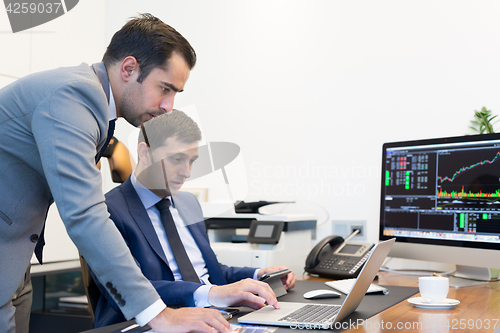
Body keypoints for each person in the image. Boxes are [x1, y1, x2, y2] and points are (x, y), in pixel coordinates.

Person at [0, 14, 230, 333]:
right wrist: (157, 314)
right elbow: (85, 214)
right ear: (128, 68)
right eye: (164, 88)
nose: (169, 106)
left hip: (16, 255)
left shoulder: (94, 106)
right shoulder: (73, 98)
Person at [92, 110, 297, 327]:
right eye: (177, 159)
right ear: (145, 153)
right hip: (151, 324)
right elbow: (128, 289)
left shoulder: (188, 202)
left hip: (214, 316)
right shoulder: (104, 211)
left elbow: (209, 271)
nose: (186, 172)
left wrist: (257, 275)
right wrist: (211, 292)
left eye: (192, 161)